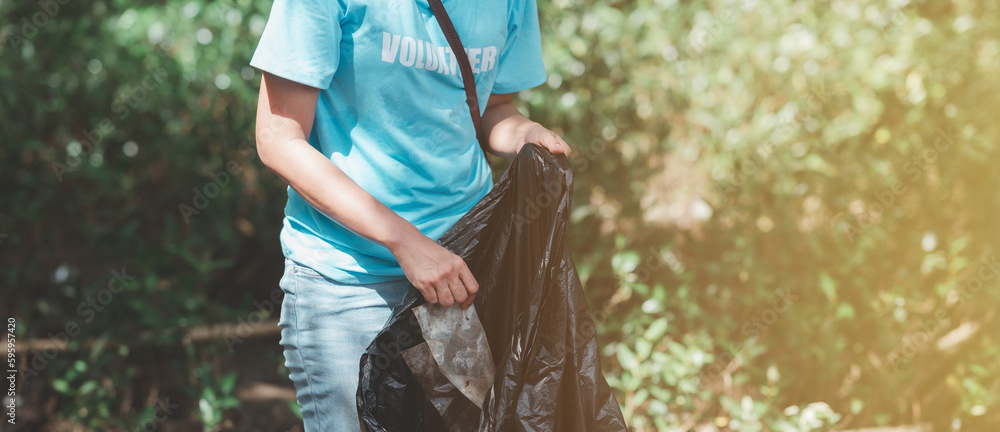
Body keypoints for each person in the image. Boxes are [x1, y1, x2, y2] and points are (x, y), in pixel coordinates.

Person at [250, 0, 570, 430]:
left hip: (459, 278)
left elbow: (490, 107)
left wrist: (524, 133)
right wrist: (406, 242)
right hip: (350, 283)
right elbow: (278, 140)